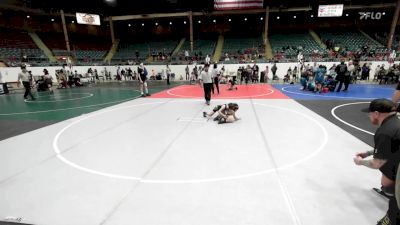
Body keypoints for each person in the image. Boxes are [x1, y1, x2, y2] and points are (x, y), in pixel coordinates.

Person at [354, 99, 400, 225]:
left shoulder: (385, 131)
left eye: (369, 114)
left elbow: (377, 163)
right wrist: (368, 153)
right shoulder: (395, 123)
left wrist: (360, 162)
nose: (369, 117)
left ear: (376, 113)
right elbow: (389, 147)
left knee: (395, 211)